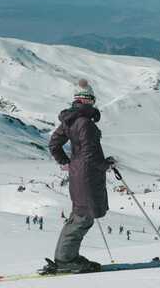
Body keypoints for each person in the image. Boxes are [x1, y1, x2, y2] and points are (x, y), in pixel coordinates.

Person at [44, 79, 115, 274]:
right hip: (88, 177)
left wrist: (66, 162)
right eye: (92, 100)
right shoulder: (86, 123)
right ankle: (66, 260)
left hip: (78, 174)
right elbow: (91, 154)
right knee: (83, 217)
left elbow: (54, 144)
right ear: (89, 101)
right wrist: (105, 165)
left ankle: (67, 257)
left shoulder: (70, 120)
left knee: (80, 215)